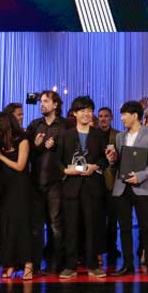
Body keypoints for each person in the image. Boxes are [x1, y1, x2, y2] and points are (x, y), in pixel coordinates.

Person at [107, 100, 148, 276]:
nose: (122, 118)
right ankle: (127, 264)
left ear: (135, 116)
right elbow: (118, 162)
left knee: (146, 226)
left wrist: (142, 175)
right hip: (122, 186)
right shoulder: (120, 137)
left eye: (125, 114)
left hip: (142, 186)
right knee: (124, 227)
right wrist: (112, 158)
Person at [60, 95, 108, 279]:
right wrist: (66, 170)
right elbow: (57, 161)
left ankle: (93, 265)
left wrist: (96, 166)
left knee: (92, 226)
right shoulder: (66, 135)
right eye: (83, 111)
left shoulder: (98, 135)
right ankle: (70, 266)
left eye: (89, 110)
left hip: (92, 186)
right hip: (71, 186)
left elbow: (104, 159)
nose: (87, 114)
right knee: (71, 227)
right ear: (74, 113)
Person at [26, 90, 66, 275]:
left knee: (56, 225)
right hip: (35, 182)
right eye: (41, 101)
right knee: (36, 227)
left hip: (56, 181)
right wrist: (35, 145)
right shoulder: (35, 125)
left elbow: (69, 153)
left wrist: (56, 146)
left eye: (46, 101)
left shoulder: (64, 125)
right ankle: (34, 264)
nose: (42, 104)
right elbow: (27, 155)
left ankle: (55, 264)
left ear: (56, 104)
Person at [0, 111, 34, 279]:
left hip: (20, 187)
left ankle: (28, 263)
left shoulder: (22, 140)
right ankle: (9, 263)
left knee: (22, 226)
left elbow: (20, 166)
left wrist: (0, 156)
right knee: (6, 226)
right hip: (4, 188)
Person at [95, 106, 120, 271]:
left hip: (112, 182)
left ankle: (112, 248)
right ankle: (97, 250)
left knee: (112, 219)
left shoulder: (118, 135)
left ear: (111, 118)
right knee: (96, 219)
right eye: (101, 116)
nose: (103, 119)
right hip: (95, 181)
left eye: (106, 116)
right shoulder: (93, 134)